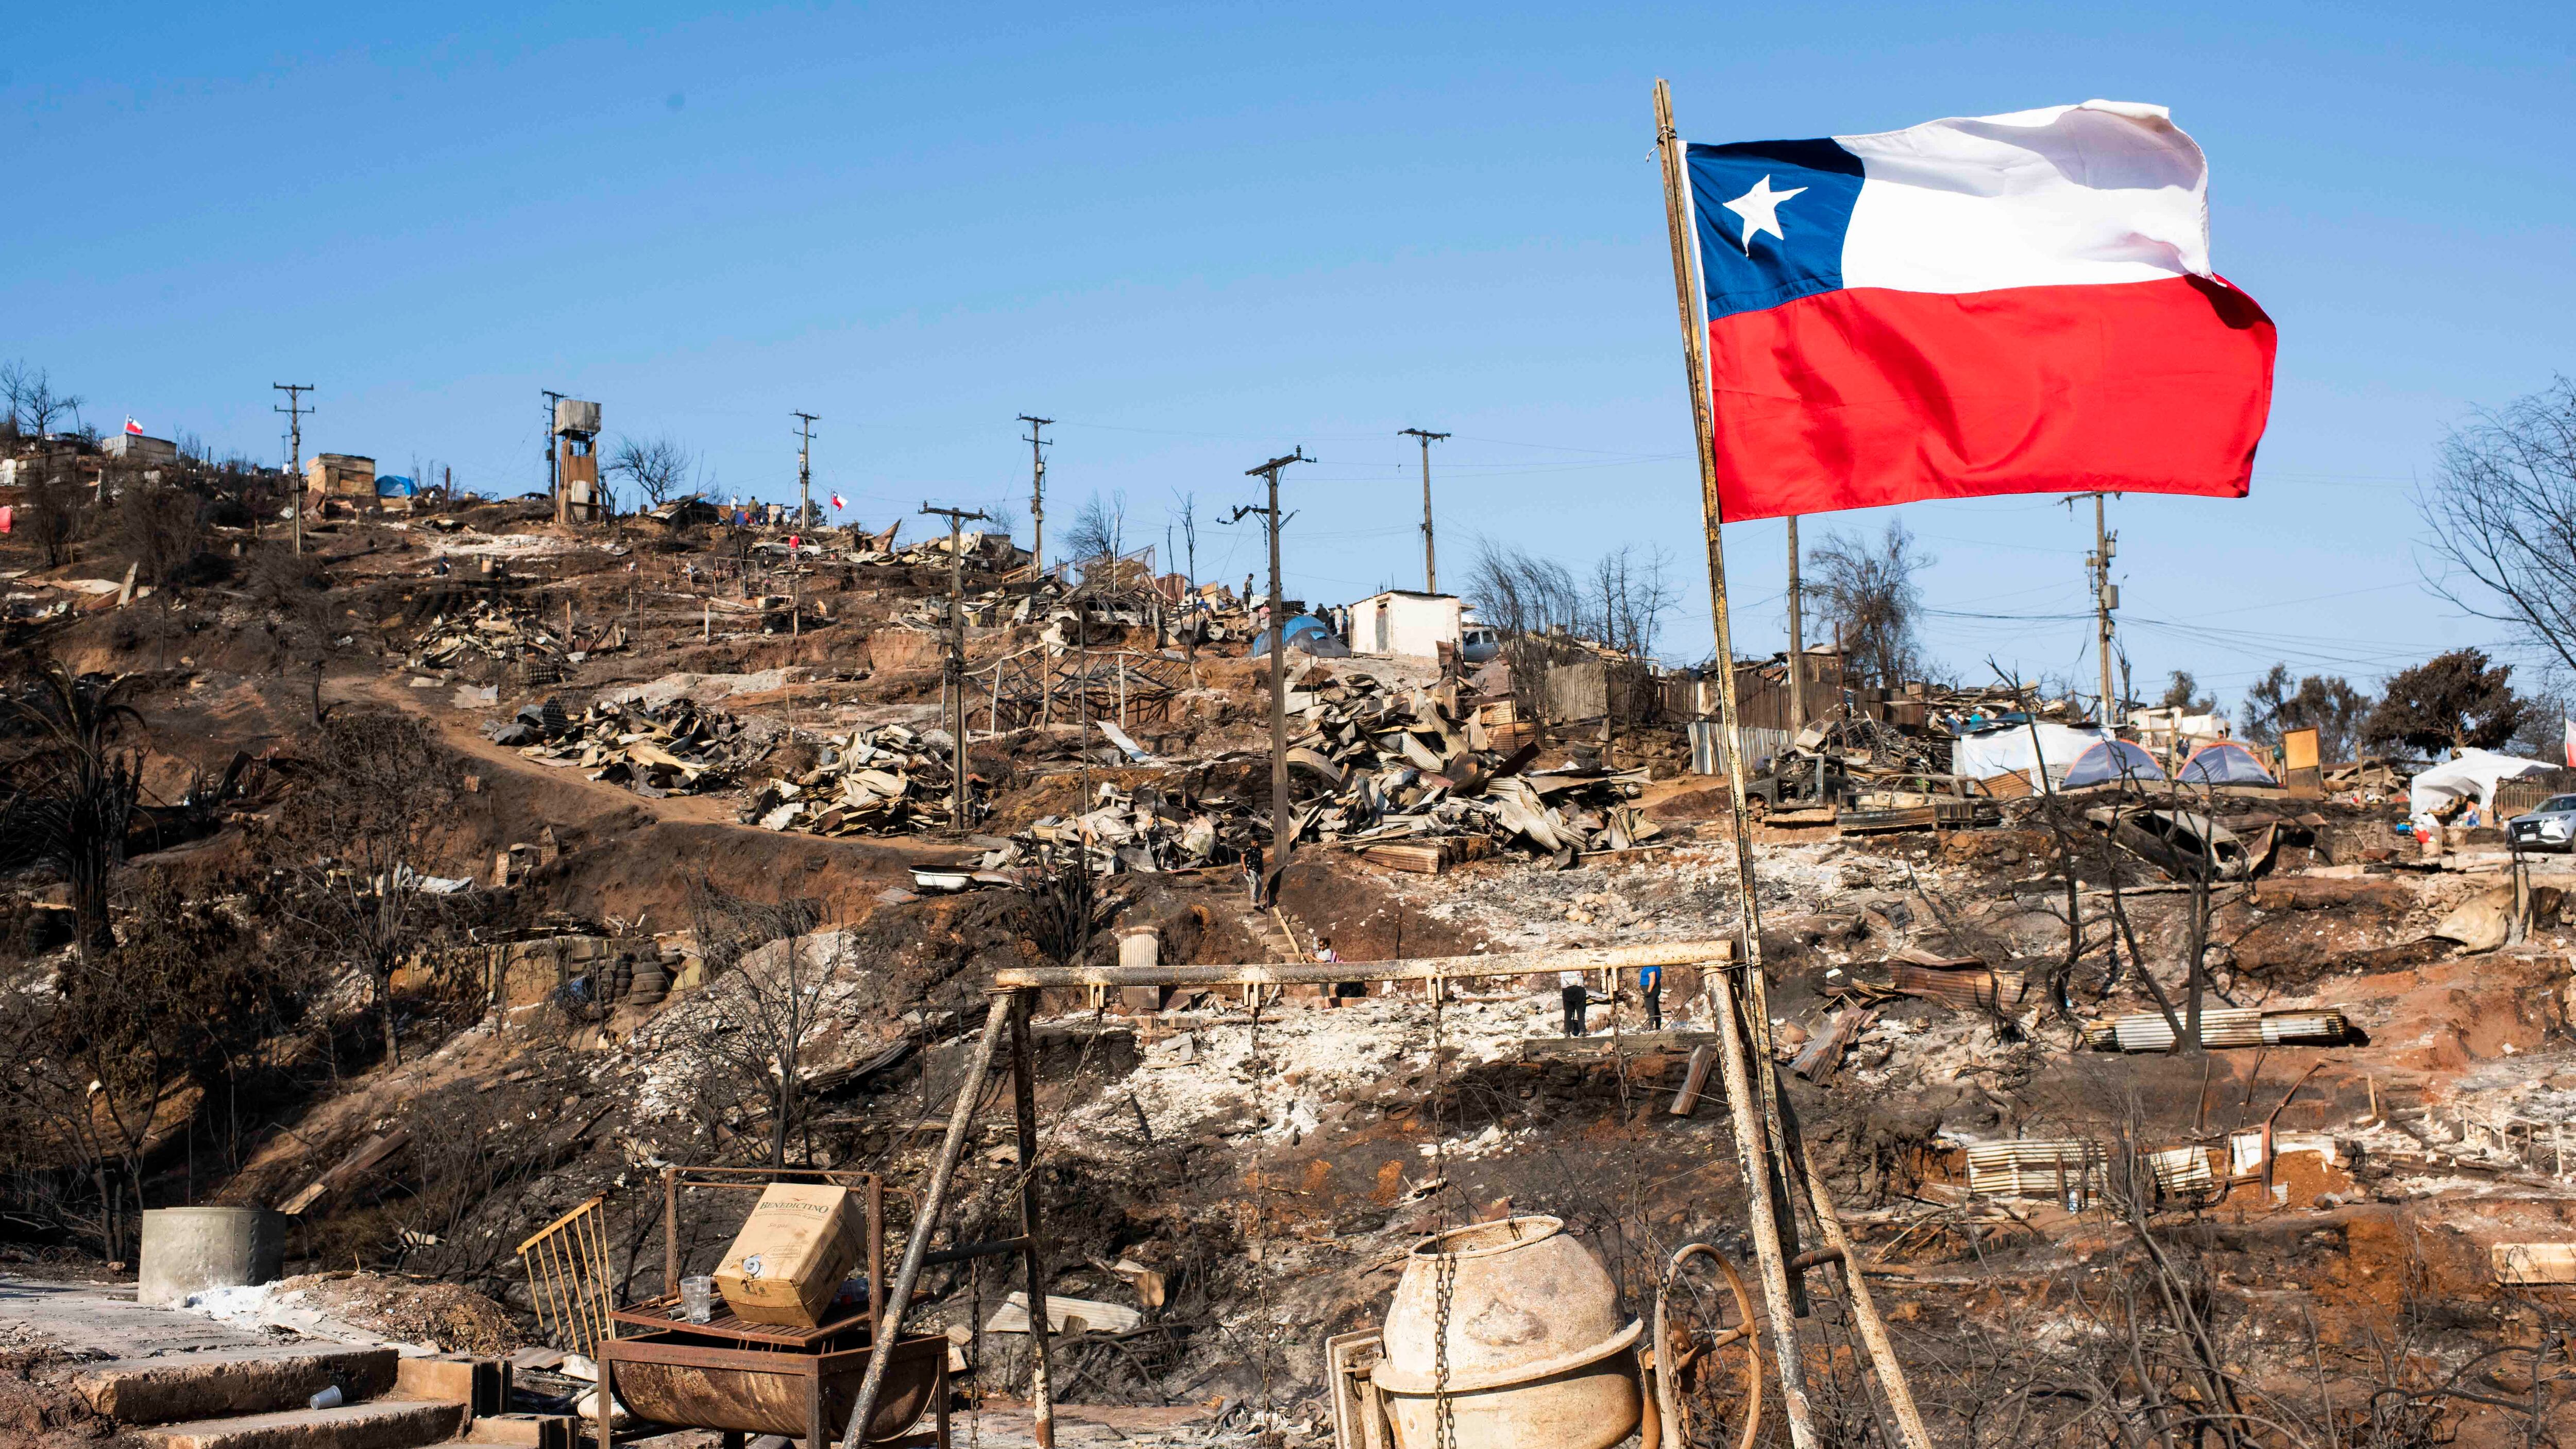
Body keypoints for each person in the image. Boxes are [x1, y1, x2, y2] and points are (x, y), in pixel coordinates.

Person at [1560, 968, 1587, 1036]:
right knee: (1581, 1011)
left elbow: (1559, 975)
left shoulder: (1561, 962)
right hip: (1579, 986)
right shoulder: (1581, 960)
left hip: (1566, 987)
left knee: (1568, 1011)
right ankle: (1582, 1030)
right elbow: (1586, 975)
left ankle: (1567, 1031)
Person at [1638, 962, 1663, 1031]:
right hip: (1656, 988)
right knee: (1655, 1007)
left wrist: (1649, 991)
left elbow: (1653, 978)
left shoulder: (1650, 966)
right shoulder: (1657, 966)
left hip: (1651, 988)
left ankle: (1650, 1026)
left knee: (1650, 1007)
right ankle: (1658, 1026)